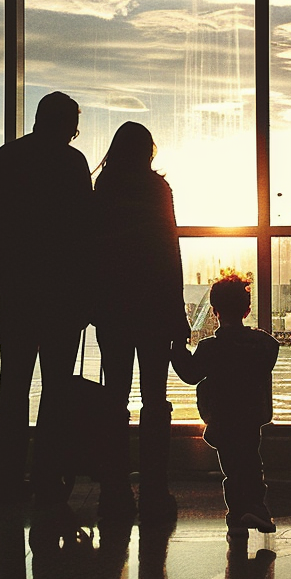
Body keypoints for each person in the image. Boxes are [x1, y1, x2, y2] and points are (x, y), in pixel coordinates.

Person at [0, 91, 93, 505]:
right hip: (62, 293)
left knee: (14, 384)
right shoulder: (73, 164)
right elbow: (83, 232)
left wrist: (3, 274)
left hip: (20, 291)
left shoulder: (5, 159)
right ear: (66, 125)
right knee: (56, 387)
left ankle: (6, 476)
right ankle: (48, 473)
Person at [92, 121, 189, 522]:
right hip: (152, 307)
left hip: (114, 306)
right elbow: (169, 248)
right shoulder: (157, 189)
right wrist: (177, 310)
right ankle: (155, 487)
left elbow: (93, 248)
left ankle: (114, 489)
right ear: (148, 150)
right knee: (155, 400)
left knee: (114, 399)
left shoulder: (103, 188)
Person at [170, 269, 279, 536]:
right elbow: (271, 352)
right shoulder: (262, 344)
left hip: (222, 417)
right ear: (247, 310)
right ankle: (254, 507)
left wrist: (175, 349)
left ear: (215, 310)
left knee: (232, 466)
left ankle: (240, 513)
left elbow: (191, 374)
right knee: (251, 460)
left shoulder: (210, 348)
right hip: (251, 416)